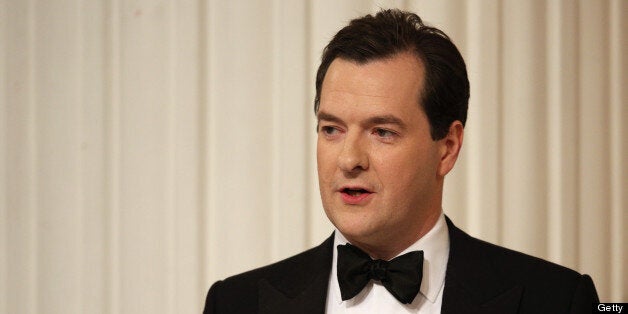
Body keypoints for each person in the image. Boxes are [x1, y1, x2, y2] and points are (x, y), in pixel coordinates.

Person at [203, 9, 598, 314]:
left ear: (447, 147)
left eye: (383, 132)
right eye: (332, 129)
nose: (349, 159)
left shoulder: (558, 300)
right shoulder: (235, 303)